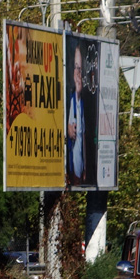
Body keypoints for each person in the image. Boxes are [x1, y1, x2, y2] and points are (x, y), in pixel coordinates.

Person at [66, 45, 86, 186]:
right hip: (69, 175)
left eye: (80, 69)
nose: (78, 73)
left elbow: (83, 138)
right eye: (75, 67)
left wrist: (85, 169)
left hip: (80, 175)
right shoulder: (68, 101)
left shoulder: (82, 104)